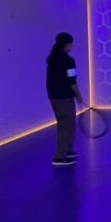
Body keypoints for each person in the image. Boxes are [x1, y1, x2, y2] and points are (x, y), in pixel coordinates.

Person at [46, 32, 84, 166]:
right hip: (65, 97)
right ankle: (59, 157)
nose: (72, 46)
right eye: (71, 44)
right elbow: (72, 80)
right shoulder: (69, 61)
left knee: (67, 123)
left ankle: (67, 151)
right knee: (65, 125)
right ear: (66, 45)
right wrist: (78, 95)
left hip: (54, 96)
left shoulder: (52, 59)